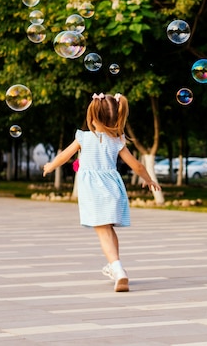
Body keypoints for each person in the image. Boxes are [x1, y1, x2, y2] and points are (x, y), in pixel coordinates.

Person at [43, 92, 161, 292]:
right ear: (115, 117)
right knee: (109, 229)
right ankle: (113, 265)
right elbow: (137, 166)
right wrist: (148, 180)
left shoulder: (83, 137)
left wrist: (50, 166)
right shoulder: (117, 141)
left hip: (93, 192)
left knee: (103, 231)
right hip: (113, 189)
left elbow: (64, 156)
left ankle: (118, 270)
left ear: (91, 117)